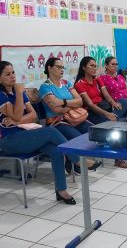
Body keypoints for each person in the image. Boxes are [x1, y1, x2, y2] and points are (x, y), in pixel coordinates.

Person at [0, 61, 76, 205]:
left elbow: (33, 115)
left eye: (13, 72)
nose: (13, 77)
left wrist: (17, 122)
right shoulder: (2, 95)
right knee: (51, 132)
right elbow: (17, 114)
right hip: (9, 140)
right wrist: (19, 94)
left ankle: (61, 191)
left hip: (26, 134)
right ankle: (78, 159)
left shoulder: (19, 91)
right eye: (8, 74)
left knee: (55, 150)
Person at [39, 58, 100, 174]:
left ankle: (74, 160)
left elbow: (80, 101)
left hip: (74, 118)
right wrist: (72, 105)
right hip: (57, 122)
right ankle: (76, 162)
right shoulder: (45, 87)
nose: (62, 70)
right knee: (78, 137)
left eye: (63, 67)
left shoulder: (67, 83)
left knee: (92, 132)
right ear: (49, 68)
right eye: (58, 67)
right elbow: (56, 110)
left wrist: (63, 102)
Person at [74, 56, 127, 168]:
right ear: (83, 67)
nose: (94, 68)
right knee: (116, 124)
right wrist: (107, 114)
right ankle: (118, 159)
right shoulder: (79, 84)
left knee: (123, 102)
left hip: (104, 107)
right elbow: (90, 104)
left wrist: (113, 103)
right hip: (91, 113)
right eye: (91, 66)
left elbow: (106, 95)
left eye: (95, 66)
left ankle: (113, 118)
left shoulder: (98, 80)